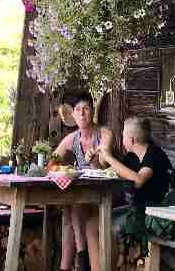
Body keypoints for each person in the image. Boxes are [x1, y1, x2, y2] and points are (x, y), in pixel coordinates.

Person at [97, 117, 172, 264]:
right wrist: (100, 156)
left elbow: (138, 180)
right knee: (96, 221)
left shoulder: (154, 154)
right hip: (137, 208)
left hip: (155, 213)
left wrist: (109, 157)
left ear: (131, 140)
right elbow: (113, 170)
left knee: (104, 224)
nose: (122, 138)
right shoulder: (132, 157)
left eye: (123, 135)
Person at [53, 92, 113, 271]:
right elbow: (51, 162)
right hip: (83, 195)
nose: (81, 113)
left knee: (73, 210)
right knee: (69, 213)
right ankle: (77, 261)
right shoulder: (72, 138)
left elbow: (103, 164)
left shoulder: (104, 133)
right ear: (73, 114)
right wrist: (60, 168)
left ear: (92, 111)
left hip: (106, 194)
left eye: (85, 109)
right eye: (77, 110)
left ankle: (81, 260)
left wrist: (94, 158)